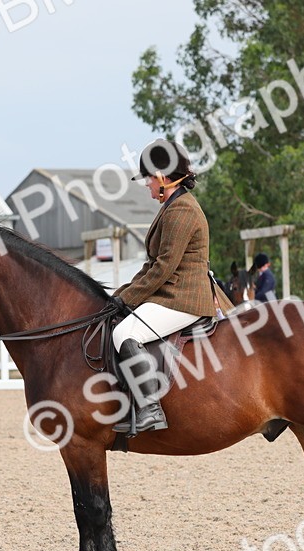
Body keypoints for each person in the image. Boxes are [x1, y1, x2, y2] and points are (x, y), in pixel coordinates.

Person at [111, 138, 232, 434]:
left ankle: (150, 407)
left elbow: (164, 268)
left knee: (125, 332)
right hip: (173, 293)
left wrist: (127, 300)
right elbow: (151, 265)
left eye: (149, 180)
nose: (148, 187)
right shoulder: (172, 206)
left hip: (185, 299)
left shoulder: (182, 211)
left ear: (163, 178)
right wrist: (119, 295)